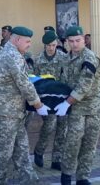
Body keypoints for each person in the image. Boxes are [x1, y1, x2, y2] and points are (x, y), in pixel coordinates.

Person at [0, 26, 49, 184]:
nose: (29, 45)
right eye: (27, 41)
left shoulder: (5, 52)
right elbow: (24, 84)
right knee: (3, 154)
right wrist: (38, 105)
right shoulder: (12, 56)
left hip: (13, 113)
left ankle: (29, 180)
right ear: (17, 40)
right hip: (4, 114)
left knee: (21, 149)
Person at [55, 26, 100, 185]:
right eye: (71, 41)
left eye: (78, 40)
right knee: (72, 141)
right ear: (67, 42)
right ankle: (66, 175)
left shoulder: (90, 57)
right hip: (76, 108)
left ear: (84, 40)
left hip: (92, 107)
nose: (75, 44)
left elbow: (84, 85)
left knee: (89, 144)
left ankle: (83, 178)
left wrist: (66, 103)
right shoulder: (65, 59)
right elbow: (62, 81)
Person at [32, 30, 68, 169]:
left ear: (57, 44)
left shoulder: (64, 58)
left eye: (53, 45)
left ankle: (57, 159)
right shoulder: (38, 59)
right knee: (50, 124)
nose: (51, 48)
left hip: (61, 97)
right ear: (44, 45)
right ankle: (39, 150)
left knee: (62, 126)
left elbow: (67, 77)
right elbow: (34, 79)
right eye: (48, 45)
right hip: (46, 98)